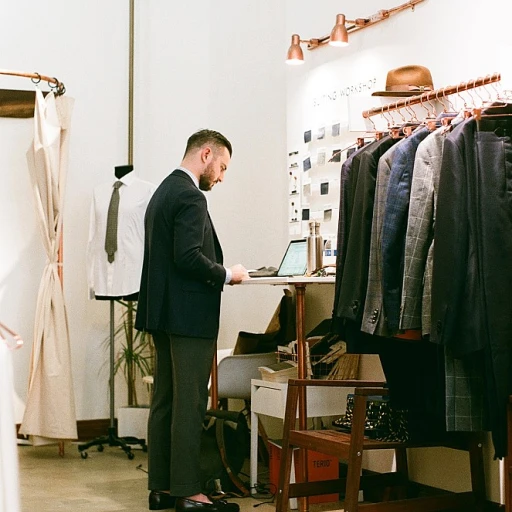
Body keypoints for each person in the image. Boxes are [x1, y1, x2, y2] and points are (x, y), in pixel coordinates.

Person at [135, 129, 249, 512]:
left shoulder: (163, 191)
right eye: (221, 166)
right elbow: (187, 257)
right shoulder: (189, 195)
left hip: (163, 315)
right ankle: (187, 491)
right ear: (205, 154)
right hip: (188, 318)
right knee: (189, 403)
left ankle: (162, 487)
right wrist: (226, 273)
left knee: (165, 401)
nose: (220, 176)